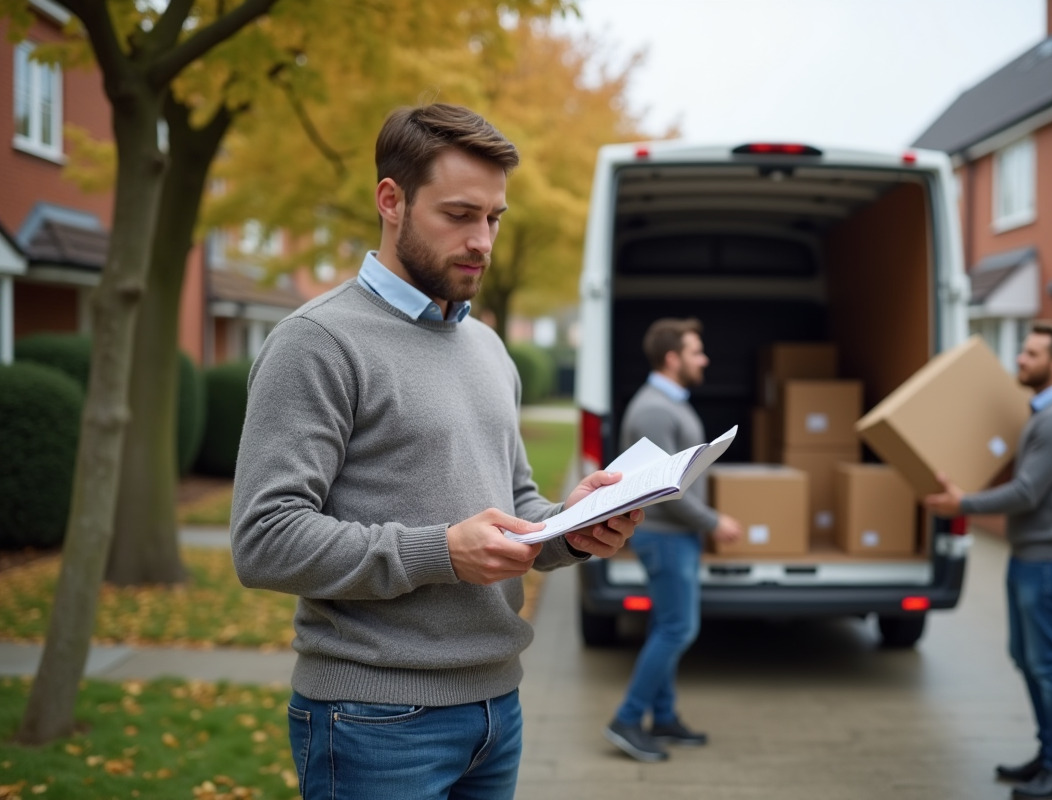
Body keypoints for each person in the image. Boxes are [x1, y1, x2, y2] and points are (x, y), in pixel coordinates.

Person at [230, 104, 640, 800]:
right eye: (459, 215)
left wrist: (570, 527)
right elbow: (264, 541)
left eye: (495, 218)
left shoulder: (486, 346)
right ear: (391, 200)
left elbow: (509, 512)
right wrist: (441, 551)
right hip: (373, 719)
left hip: (495, 711)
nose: (482, 240)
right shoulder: (317, 342)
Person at [924, 320, 1052, 800]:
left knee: (1049, 664)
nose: (1020, 359)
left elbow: (1027, 492)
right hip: (1034, 557)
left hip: (1050, 561)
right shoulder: (1045, 414)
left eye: (1032, 353)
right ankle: (1049, 756)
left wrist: (963, 505)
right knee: (1027, 658)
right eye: (1023, 351)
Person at [603, 318, 743, 763]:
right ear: (672, 358)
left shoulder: (669, 403)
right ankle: (627, 720)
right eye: (696, 351)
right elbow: (668, 488)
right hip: (666, 538)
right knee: (680, 628)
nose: (704, 359)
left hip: (673, 538)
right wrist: (712, 521)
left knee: (667, 625)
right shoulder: (655, 410)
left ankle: (662, 718)